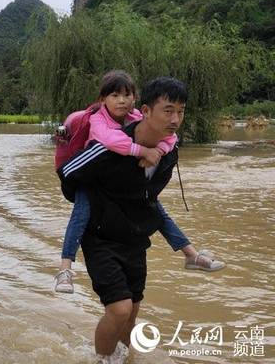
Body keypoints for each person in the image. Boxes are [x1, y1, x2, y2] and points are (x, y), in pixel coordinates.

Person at [59, 77, 205, 362]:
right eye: (168, 110)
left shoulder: (169, 152)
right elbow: (68, 172)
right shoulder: (105, 147)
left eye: (181, 111)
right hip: (101, 238)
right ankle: (101, 359)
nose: (175, 118)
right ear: (147, 111)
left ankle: (125, 357)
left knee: (132, 314)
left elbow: (149, 197)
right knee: (120, 309)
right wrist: (98, 194)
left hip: (136, 240)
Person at [54, 71, 224, 294]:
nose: (122, 101)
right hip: (89, 177)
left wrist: (159, 151)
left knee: (153, 206)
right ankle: (65, 269)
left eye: (127, 95)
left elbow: (170, 137)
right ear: (102, 99)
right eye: (115, 95)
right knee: (81, 214)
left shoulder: (136, 117)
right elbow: (110, 141)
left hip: (120, 179)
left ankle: (191, 254)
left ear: (136, 100)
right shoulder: (98, 119)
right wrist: (143, 150)